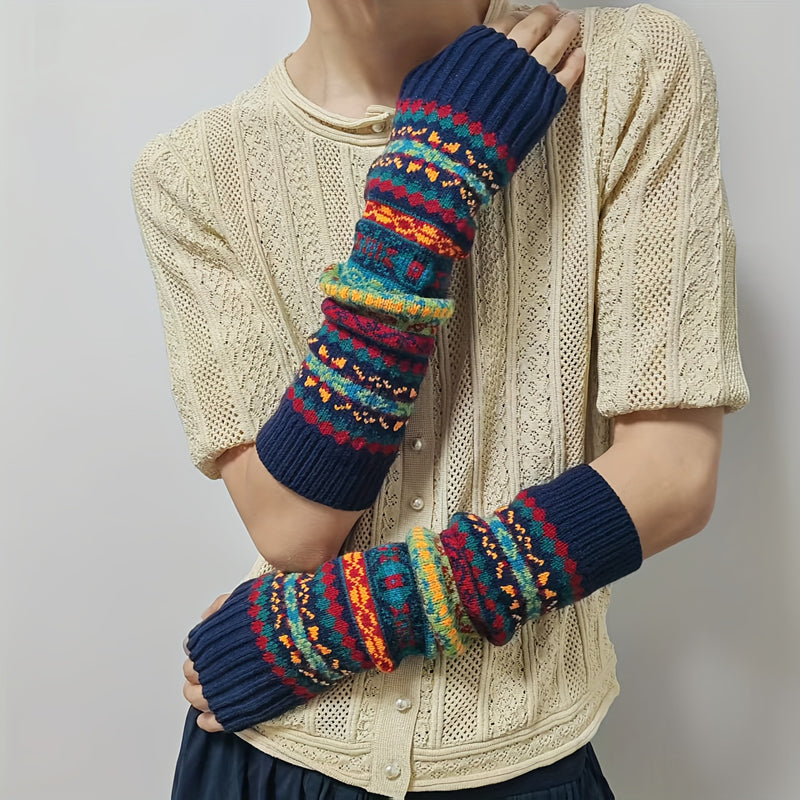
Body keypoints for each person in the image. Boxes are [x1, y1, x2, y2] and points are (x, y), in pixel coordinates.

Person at [130, 1, 750, 798]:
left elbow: (673, 478)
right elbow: (293, 528)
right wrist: (420, 205)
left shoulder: (628, 69)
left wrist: (324, 626)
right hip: (277, 752)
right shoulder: (189, 173)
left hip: (502, 753)